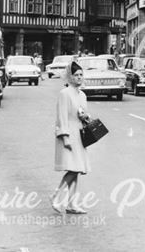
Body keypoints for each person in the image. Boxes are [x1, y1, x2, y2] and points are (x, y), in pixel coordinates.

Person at [52, 61, 91, 214]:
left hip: (80, 135)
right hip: (69, 134)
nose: (79, 78)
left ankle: (71, 204)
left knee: (77, 170)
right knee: (73, 169)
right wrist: (65, 138)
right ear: (70, 77)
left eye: (81, 75)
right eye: (76, 75)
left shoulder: (82, 95)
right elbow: (61, 117)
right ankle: (55, 196)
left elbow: (84, 114)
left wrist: (86, 117)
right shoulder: (64, 93)